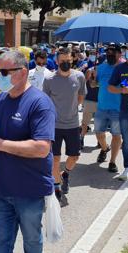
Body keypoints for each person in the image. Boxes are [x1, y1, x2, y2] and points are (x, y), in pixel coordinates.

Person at [0, 51, 55, 253]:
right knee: (1, 242)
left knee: (32, 239)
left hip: (30, 191)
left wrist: (1, 145)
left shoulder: (40, 103)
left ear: (22, 73)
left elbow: (42, 148)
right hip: (1, 191)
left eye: (4, 72)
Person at [43, 48, 86, 203]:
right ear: (57, 61)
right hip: (54, 125)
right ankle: (56, 187)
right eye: (62, 61)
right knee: (55, 158)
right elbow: (45, 102)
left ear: (72, 59)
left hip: (73, 124)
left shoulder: (79, 77)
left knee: (74, 156)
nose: (65, 63)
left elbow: (80, 97)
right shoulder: (49, 79)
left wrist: (72, 110)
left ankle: (65, 174)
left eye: (68, 60)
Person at [95, 47, 123, 173]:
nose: (109, 55)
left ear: (119, 54)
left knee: (117, 136)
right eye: (108, 54)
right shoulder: (100, 67)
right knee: (99, 134)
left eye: (113, 54)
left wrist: (119, 88)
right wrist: (91, 77)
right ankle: (105, 148)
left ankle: (112, 162)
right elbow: (94, 84)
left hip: (118, 109)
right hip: (101, 107)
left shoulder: (125, 68)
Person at [108, 44, 128, 180]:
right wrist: (121, 90)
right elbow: (110, 87)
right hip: (125, 110)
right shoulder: (120, 68)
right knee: (127, 141)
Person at [80, 56, 99, 148]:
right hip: (89, 100)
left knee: (99, 124)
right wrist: (92, 76)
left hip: (100, 101)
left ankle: (100, 141)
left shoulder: (105, 72)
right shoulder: (89, 71)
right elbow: (88, 84)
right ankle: (81, 139)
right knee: (85, 123)